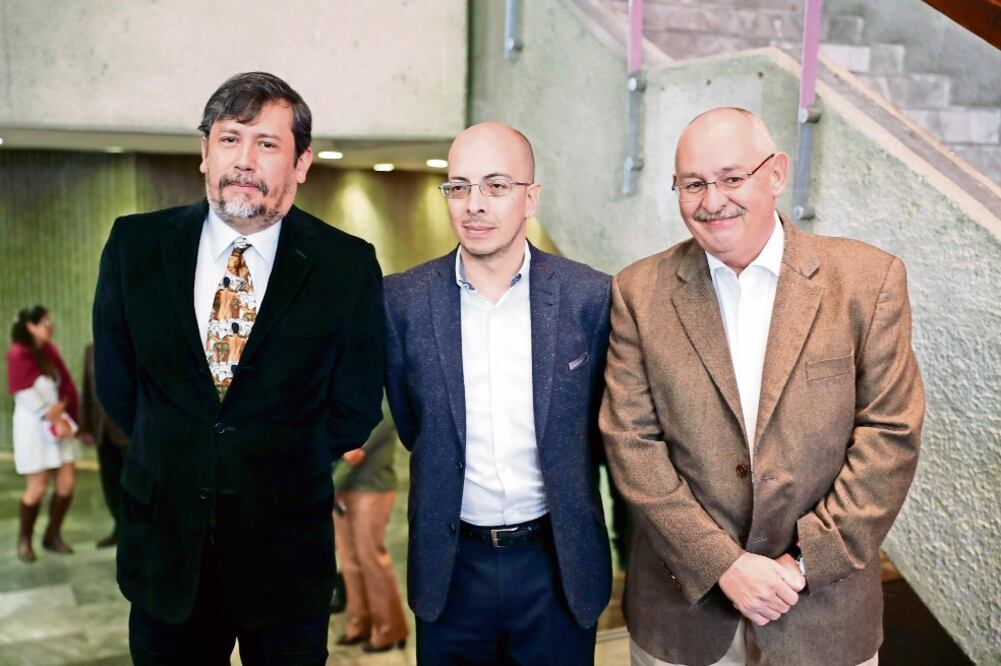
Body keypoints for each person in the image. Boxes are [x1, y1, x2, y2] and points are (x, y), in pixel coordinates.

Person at [600, 107, 924, 666]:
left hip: (824, 614)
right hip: (684, 618)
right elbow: (632, 444)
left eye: (732, 178)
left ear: (776, 174)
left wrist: (799, 565)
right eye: (693, 183)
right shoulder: (637, 291)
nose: (712, 200)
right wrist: (721, 563)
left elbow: (889, 436)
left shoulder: (868, 282)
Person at [92, 71, 385, 665]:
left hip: (286, 559)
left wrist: (274, 461)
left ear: (302, 163)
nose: (244, 160)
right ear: (204, 153)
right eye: (229, 139)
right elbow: (120, 389)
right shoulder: (135, 246)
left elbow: (354, 407)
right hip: (165, 555)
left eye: (267, 143)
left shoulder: (345, 266)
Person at [384, 121, 612, 664]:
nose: (473, 204)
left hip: (555, 564)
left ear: (530, 197)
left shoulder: (591, 295)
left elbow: (606, 433)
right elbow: (414, 422)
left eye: (495, 186)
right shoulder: (402, 301)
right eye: (458, 186)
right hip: (451, 565)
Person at [331, 406, 408, 653]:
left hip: (371, 488)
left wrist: (325, 485)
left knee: (370, 559)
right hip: (342, 488)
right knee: (349, 561)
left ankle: (389, 628)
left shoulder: (382, 398)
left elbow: (354, 453)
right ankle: (359, 622)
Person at [8, 306, 81, 562]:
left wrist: (62, 409)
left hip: (59, 423)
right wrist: (53, 416)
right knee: (37, 488)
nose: (50, 325)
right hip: (34, 428)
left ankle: (52, 535)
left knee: (67, 483)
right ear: (30, 325)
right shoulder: (18, 353)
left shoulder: (50, 351)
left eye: (51, 320)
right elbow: (24, 392)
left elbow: (66, 385)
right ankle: (24, 539)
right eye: (44, 321)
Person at [79, 342, 129, 547]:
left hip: (130, 430)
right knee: (110, 485)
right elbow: (86, 388)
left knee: (133, 485)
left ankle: (136, 534)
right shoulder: (91, 349)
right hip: (102, 429)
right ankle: (121, 529)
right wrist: (86, 427)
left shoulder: (134, 341)